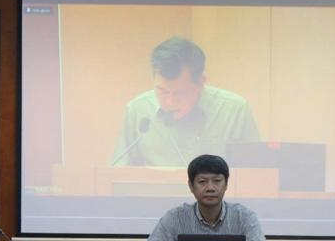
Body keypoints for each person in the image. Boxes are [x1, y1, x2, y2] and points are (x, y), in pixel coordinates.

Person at [109, 37, 261, 167]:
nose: (170, 102)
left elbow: (256, 174)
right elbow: (119, 173)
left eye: (180, 93)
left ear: (200, 83)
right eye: (162, 91)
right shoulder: (137, 109)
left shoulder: (234, 110)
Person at [137, 154, 270, 241]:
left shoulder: (244, 217)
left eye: (217, 181)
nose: (210, 188)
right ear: (191, 186)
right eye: (202, 182)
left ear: (226, 184)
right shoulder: (174, 217)